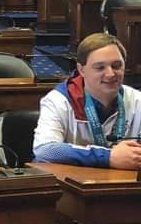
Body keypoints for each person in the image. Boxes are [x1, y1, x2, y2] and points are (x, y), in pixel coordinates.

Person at [33, 33, 141, 169]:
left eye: (116, 65)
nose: (110, 74)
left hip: (123, 185)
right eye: (100, 67)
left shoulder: (137, 100)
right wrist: (108, 157)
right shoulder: (58, 100)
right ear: (81, 70)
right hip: (70, 184)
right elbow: (45, 150)